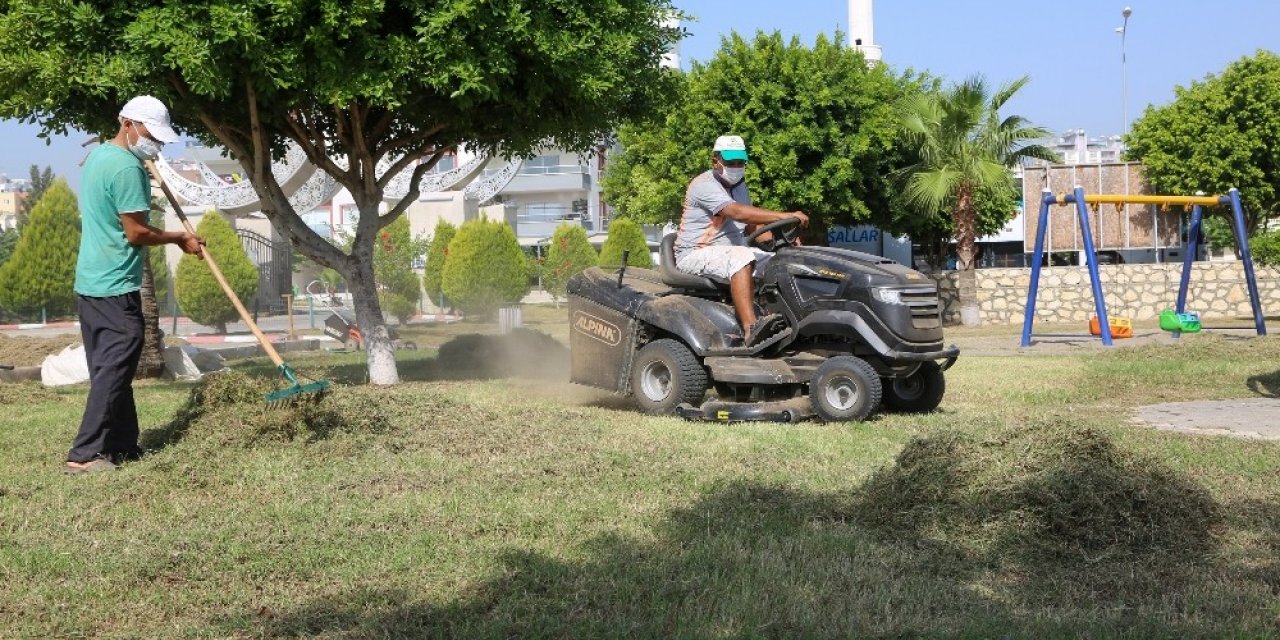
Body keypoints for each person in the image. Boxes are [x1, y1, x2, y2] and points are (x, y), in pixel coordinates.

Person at [65, 95, 204, 474]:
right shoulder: (128, 169)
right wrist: (179, 238)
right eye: (150, 134)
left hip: (91, 281)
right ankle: (84, 454)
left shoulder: (98, 157)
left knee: (112, 367)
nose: (155, 143)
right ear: (127, 123)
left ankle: (122, 445)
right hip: (114, 284)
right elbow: (136, 233)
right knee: (114, 369)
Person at [674, 135, 809, 346]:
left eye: (740, 162)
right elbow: (737, 213)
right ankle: (752, 330)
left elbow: (752, 226)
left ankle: (794, 322)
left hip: (729, 251)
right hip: (695, 253)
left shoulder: (740, 187)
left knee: (782, 263)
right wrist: (783, 215)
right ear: (715, 162)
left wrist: (782, 242)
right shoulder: (703, 185)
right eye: (730, 162)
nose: (736, 167)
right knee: (742, 258)